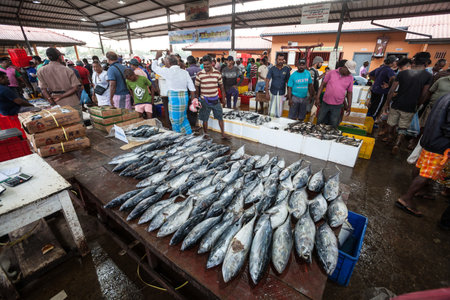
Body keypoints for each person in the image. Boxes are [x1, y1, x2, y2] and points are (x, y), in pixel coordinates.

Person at [395, 93, 450, 217]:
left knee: (420, 166)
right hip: (440, 144)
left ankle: (419, 190)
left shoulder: (445, 96)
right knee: (427, 173)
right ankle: (407, 198)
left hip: (430, 139)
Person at [382, 52, 433, 154]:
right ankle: (397, 143)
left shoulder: (402, 73)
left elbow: (392, 90)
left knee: (391, 123)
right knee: (403, 126)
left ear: (414, 61)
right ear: (426, 63)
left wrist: (387, 103)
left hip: (397, 103)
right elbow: (424, 94)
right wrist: (418, 105)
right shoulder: (428, 75)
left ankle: (390, 138)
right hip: (410, 105)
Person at [152, 51, 196, 134]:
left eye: (165, 60)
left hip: (174, 98)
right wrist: (193, 101)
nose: (164, 62)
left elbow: (153, 67)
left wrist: (156, 57)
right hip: (184, 97)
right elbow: (192, 88)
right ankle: (188, 134)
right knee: (183, 118)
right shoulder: (184, 72)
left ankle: (178, 137)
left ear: (169, 62)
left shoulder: (167, 71)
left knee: (175, 120)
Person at [315, 60, 355, 127]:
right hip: (325, 103)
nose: (349, 73)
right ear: (344, 67)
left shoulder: (350, 77)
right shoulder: (331, 73)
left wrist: (349, 105)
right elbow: (322, 85)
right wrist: (317, 98)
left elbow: (349, 93)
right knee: (320, 121)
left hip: (337, 105)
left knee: (334, 124)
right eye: (348, 71)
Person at [195, 55, 228, 139]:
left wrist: (223, 99)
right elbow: (197, 88)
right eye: (204, 64)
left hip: (215, 99)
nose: (205, 66)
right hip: (204, 100)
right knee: (205, 118)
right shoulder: (199, 74)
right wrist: (197, 99)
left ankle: (223, 134)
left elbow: (222, 87)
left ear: (212, 63)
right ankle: (205, 134)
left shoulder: (217, 73)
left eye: (207, 64)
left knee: (220, 117)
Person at [367, 56, 397, 120]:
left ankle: (368, 119)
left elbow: (370, 74)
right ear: (391, 62)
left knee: (373, 105)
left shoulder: (379, 68)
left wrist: (376, 81)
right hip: (381, 91)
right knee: (377, 107)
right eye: (395, 62)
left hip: (375, 89)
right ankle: (371, 121)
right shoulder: (389, 70)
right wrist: (389, 85)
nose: (395, 63)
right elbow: (393, 78)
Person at [265, 53, 291, 118]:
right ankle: (270, 124)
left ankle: (277, 125)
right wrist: (267, 93)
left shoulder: (286, 69)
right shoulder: (272, 69)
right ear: (276, 60)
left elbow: (288, 82)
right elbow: (267, 80)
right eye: (279, 59)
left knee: (279, 112)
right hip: (272, 92)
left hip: (282, 92)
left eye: (282, 60)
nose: (281, 61)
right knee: (271, 111)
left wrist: (288, 93)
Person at [186, 55, 202, 128]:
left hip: (190, 93)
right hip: (199, 93)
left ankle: (192, 125)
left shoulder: (187, 70)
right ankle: (196, 123)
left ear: (189, 62)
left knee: (191, 109)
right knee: (197, 107)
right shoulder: (200, 69)